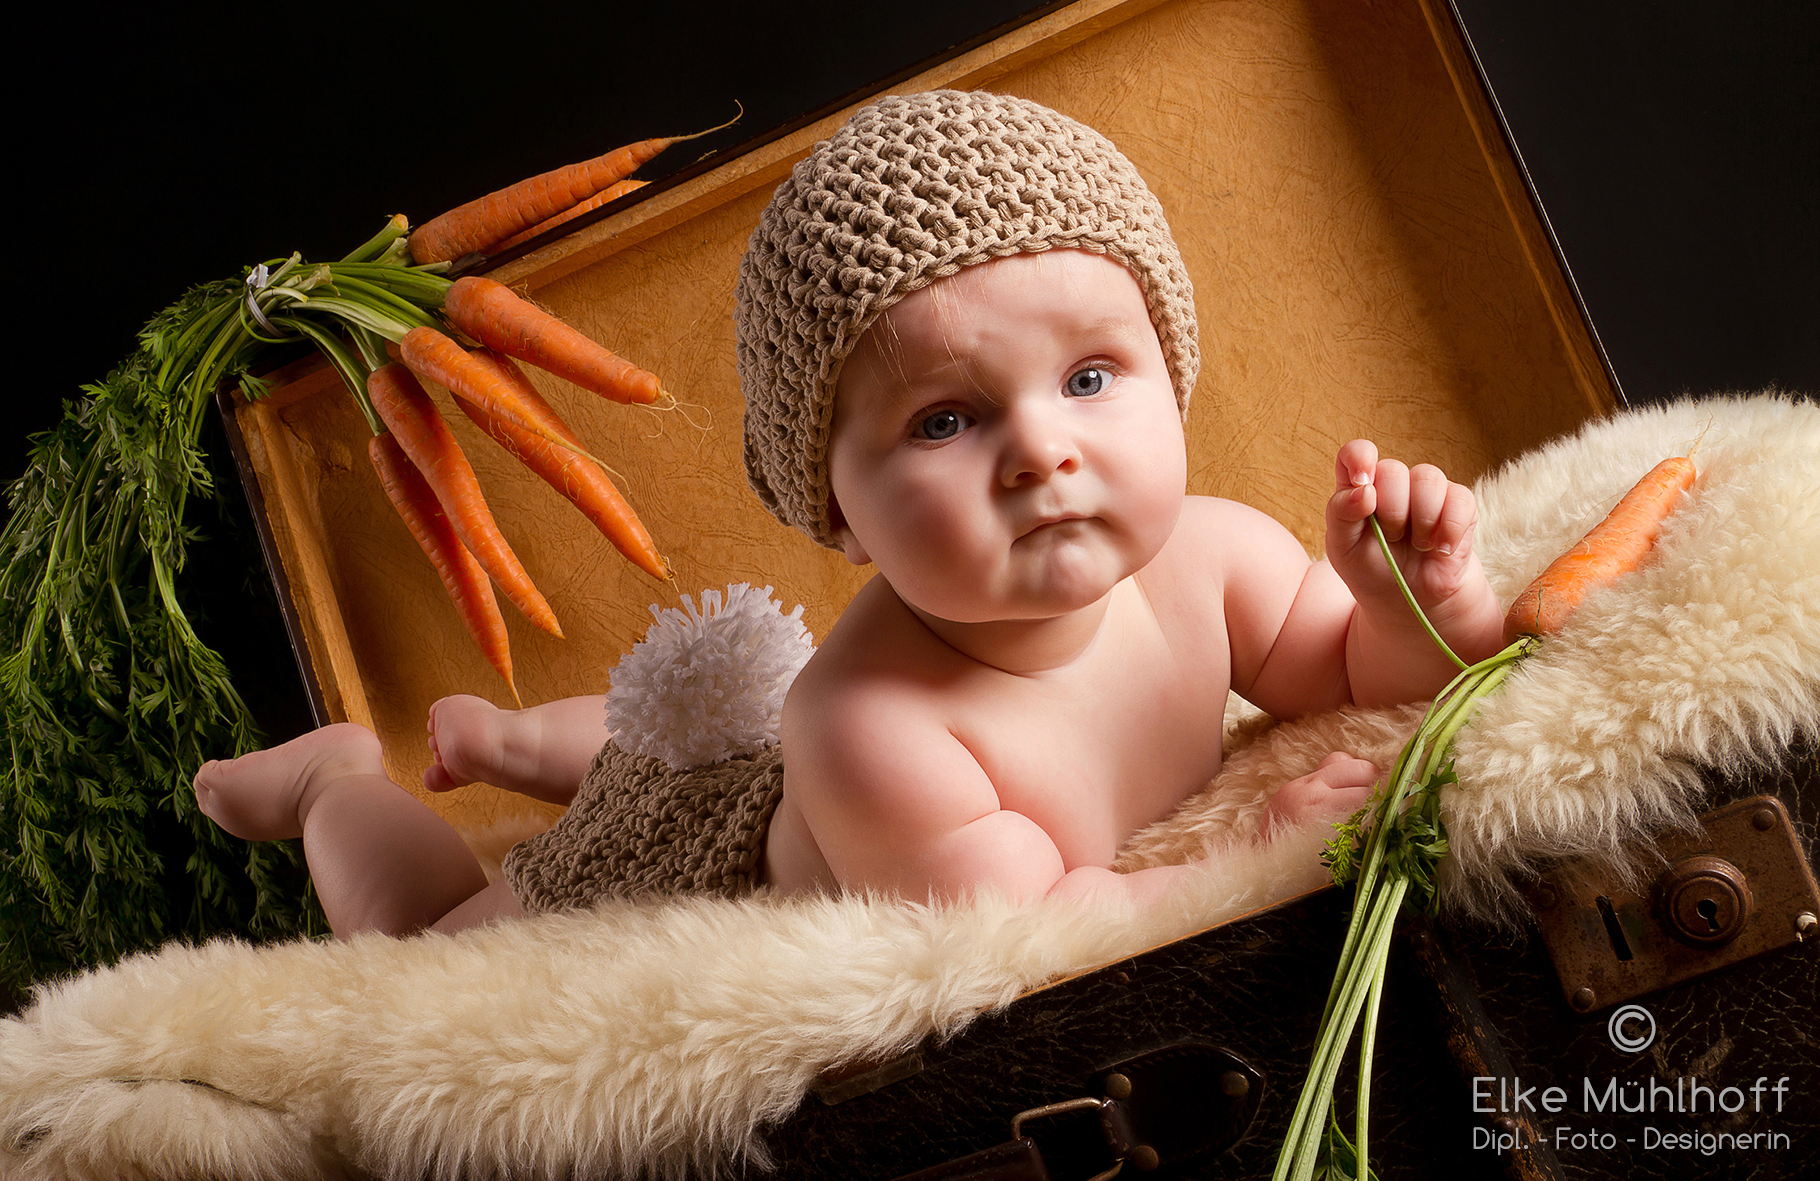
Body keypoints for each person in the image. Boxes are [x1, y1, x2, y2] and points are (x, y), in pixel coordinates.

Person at [193, 90, 1504, 937]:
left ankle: (520, 741)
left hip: (769, 766)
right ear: (838, 510)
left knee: (685, 735)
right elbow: (1038, 933)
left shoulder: (1222, 556)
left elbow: (1358, 676)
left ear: (1173, 376)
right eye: (945, 419)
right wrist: (1256, 851)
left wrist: (1411, 597)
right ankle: (334, 780)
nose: (1042, 449)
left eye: (1092, 376)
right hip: (688, 871)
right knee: (428, 937)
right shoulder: (876, 725)